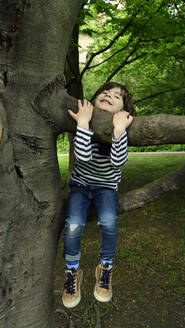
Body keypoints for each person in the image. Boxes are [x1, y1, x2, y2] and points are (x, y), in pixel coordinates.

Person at [62, 82, 134, 308]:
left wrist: (119, 130)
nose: (108, 95)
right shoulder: (86, 124)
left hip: (106, 188)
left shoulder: (120, 128)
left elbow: (118, 161)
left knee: (109, 221)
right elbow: (82, 157)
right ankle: (72, 271)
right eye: (105, 92)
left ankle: (105, 268)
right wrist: (83, 122)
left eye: (116, 96)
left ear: (124, 111)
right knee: (73, 223)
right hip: (81, 186)